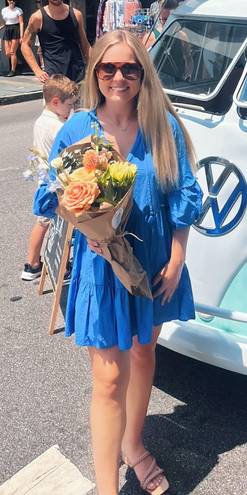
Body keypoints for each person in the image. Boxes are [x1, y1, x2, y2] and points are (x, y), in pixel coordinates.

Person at [33, 30, 202, 494]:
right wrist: (83, 214)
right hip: (102, 269)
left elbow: (182, 195)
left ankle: (134, 445)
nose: (119, 77)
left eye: (130, 67)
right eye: (109, 68)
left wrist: (178, 257)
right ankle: (108, 488)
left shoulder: (162, 127)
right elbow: (48, 196)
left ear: (143, 73)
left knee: (145, 352)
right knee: (109, 379)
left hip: (152, 264)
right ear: (95, 73)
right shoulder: (77, 128)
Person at [21, 75, 79, 281]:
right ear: (56, 102)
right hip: (54, 183)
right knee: (51, 226)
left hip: (45, 179)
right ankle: (35, 265)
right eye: (69, 105)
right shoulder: (57, 127)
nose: (70, 110)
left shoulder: (43, 119)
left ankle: (34, 263)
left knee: (45, 222)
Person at [21, 0, 90, 84]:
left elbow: (84, 43)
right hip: (54, 78)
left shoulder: (76, 14)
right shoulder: (38, 17)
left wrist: (94, 67)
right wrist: (37, 71)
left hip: (78, 75)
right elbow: (24, 44)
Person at [1, 0, 23, 77]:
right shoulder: (4, 10)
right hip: (7, 29)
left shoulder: (18, 10)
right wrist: (1, 27)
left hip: (15, 28)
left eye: (13, 0)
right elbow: (4, 22)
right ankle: (17, 62)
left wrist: (21, 35)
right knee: (7, 52)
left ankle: (13, 70)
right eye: (10, 0)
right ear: (8, 1)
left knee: (12, 52)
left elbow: (21, 22)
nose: (12, 1)